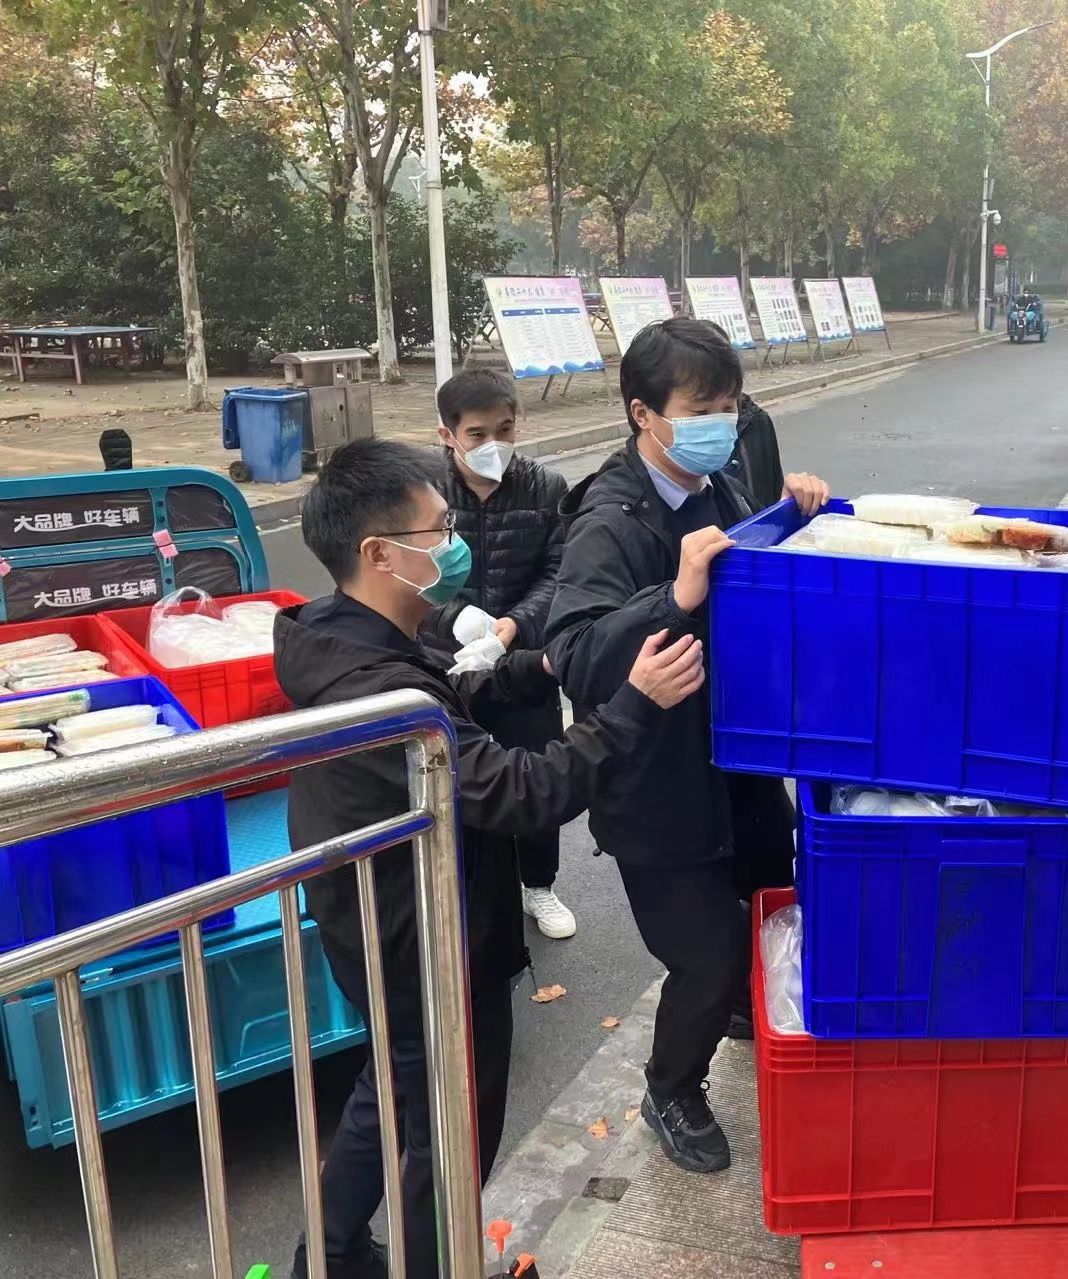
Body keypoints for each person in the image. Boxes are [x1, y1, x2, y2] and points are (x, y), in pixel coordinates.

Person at [276, 437, 703, 1279]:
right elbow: (518, 791)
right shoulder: (380, 694)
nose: (454, 544)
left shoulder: (354, 634)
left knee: (397, 1084)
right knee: (452, 1124)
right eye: (438, 530)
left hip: (376, 912)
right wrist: (632, 706)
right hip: (419, 930)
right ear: (379, 553)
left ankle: (329, 1254)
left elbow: (459, 685)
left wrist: (538, 664)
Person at [544, 317, 829, 1176]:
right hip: (655, 786)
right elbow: (576, 654)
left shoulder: (721, 485)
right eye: (701, 408)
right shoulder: (608, 520)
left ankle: (742, 1007)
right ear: (644, 413)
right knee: (704, 955)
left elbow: (760, 576)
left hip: (736, 766)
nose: (721, 423)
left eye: (731, 405)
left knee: (776, 897)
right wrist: (671, 594)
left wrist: (795, 515)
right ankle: (670, 1088)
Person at [420, 368, 579, 941]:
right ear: (447, 435)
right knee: (451, 772)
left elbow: (559, 570)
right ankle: (462, 885)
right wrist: (455, 619)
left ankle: (539, 884)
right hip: (447, 660)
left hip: (523, 657)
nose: (494, 445)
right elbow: (408, 572)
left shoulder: (546, 488)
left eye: (505, 430)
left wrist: (515, 626)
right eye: (478, 434)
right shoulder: (423, 490)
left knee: (535, 770)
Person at [728, 392, 784, 509]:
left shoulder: (755, 420)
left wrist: (788, 500)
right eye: (700, 412)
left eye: (727, 408)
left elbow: (773, 493)